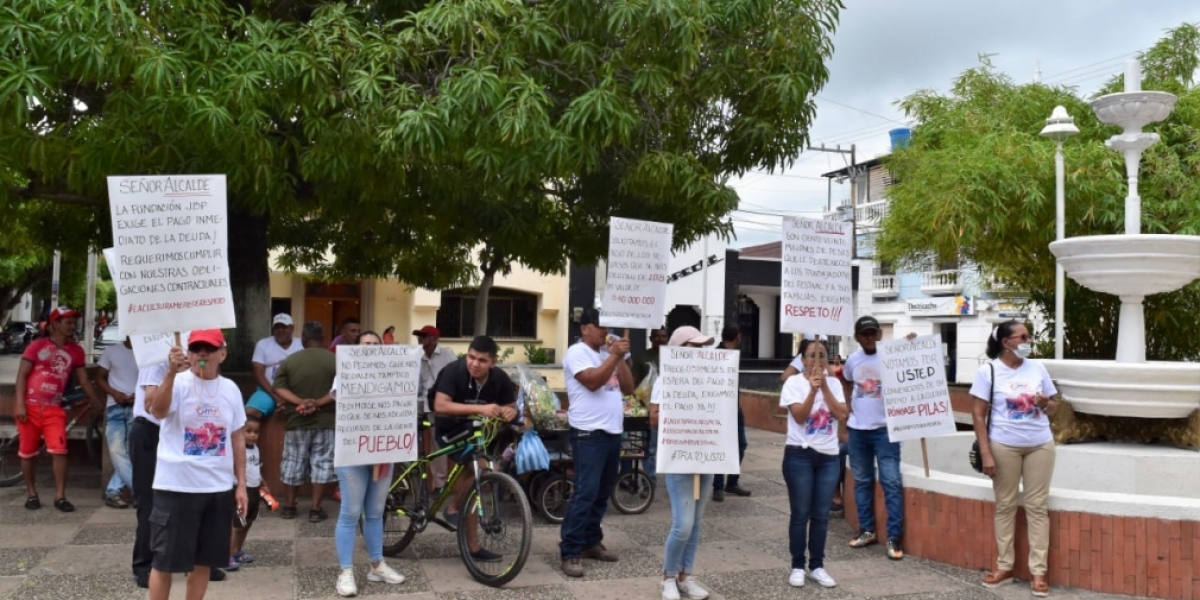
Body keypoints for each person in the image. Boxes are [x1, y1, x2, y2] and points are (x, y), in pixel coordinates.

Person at [147, 329, 247, 600]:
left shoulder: (230, 389)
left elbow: (237, 436)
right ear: (188, 353)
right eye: (196, 348)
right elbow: (157, 410)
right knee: (165, 561)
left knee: (204, 561)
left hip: (216, 488)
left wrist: (241, 484)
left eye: (209, 349)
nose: (202, 354)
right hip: (176, 487)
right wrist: (169, 373)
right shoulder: (177, 382)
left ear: (222, 354)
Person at [971, 320, 1058, 598]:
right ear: (1006, 342)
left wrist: (1046, 403)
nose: (1028, 341)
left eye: (1028, 337)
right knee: (1006, 506)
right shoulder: (989, 372)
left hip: (1040, 445)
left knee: (1037, 507)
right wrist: (986, 453)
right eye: (1022, 337)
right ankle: (1005, 567)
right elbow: (977, 414)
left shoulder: (1038, 368)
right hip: (1004, 446)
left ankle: (1038, 572)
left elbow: (1055, 408)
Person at [558, 308, 634, 578]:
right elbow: (592, 382)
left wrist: (620, 357)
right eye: (599, 326)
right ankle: (570, 551)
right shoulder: (577, 353)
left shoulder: (609, 353)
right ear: (584, 328)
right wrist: (614, 356)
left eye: (607, 326)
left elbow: (628, 387)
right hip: (588, 433)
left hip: (613, 431)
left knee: (602, 493)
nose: (605, 331)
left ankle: (591, 542)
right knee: (585, 492)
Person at [331, 330, 407, 596]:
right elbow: (342, 401)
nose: (371, 348)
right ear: (356, 348)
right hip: (353, 452)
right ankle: (346, 571)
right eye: (366, 345)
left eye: (376, 344)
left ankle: (377, 565)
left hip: (382, 452)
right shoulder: (345, 374)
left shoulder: (395, 376)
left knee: (375, 513)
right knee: (351, 513)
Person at [432, 335, 518, 562]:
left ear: (493, 362)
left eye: (481, 360)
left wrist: (511, 412)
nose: (474, 364)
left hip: (480, 435)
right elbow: (440, 405)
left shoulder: (500, 379)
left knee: (479, 474)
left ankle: (460, 520)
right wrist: (482, 410)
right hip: (450, 431)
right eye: (471, 357)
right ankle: (456, 514)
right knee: (480, 469)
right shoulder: (454, 371)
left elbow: (510, 406)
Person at [649, 326, 717, 600]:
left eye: (702, 348)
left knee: (697, 522)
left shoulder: (711, 379)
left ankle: (685, 576)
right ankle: (667, 577)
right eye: (693, 346)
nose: (699, 352)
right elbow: (654, 419)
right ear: (678, 350)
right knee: (683, 524)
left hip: (706, 461)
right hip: (679, 460)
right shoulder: (665, 382)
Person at [13, 306, 102, 512]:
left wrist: (96, 400)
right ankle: (32, 493)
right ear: (54, 324)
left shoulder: (76, 350)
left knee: (60, 451)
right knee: (28, 453)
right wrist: (19, 404)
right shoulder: (36, 346)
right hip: (30, 407)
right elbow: (22, 376)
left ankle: (60, 496)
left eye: (74, 322)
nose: (73, 326)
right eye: (68, 322)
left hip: (54, 409)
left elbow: (83, 380)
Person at [780, 339, 848, 588]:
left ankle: (817, 565)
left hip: (828, 457)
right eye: (812, 356)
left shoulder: (835, 384)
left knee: (821, 515)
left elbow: (842, 414)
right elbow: (798, 417)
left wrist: (825, 388)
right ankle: (798, 565)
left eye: (822, 356)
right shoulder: (793, 383)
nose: (817, 361)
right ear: (803, 360)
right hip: (800, 455)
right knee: (801, 514)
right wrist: (811, 390)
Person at [842, 316, 904, 560]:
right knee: (862, 481)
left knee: (891, 482)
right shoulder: (852, 361)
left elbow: (913, 366)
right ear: (857, 337)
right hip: (858, 431)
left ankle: (893, 537)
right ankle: (867, 530)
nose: (869, 337)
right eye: (864, 333)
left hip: (886, 431)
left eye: (872, 332)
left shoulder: (891, 355)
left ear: (879, 334)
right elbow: (847, 382)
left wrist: (911, 344)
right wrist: (847, 408)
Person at [273, 321, 339, 522]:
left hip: (296, 421)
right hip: (326, 422)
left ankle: (290, 507)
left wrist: (300, 402)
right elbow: (342, 389)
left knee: (292, 463)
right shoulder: (336, 360)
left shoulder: (291, 361)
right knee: (321, 464)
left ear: (303, 339)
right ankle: (315, 510)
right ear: (324, 339)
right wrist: (318, 403)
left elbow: (279, 388)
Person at [226, 414, 274, 572]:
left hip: (254, 490)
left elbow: (256, 469)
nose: (253, 435)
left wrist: (263, 483)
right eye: (248, 431)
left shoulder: (256, 449)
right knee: (237, 524)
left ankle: (237, 551)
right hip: (241, 490)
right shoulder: (236, 450)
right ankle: (228, 555)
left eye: (256, 432)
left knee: (248, 522)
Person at [96, 336, 140, 509]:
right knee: (116, 451)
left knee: (130, 452)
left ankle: (113, 492)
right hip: (115, 406)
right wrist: (114, 393)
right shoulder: (111, 351)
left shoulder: (146, 354)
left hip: (137, 407)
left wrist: (140, 395)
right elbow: (99, 377)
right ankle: (139, 491)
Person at [415, 325, 456, 494]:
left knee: (450, 445)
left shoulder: (448, 355)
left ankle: (450, 483)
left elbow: (457, 377)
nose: (420, 340)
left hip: (448, 407)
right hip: (430, 409)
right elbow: (419, 389)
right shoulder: (420, 361)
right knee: (435, 447)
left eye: (423, 336)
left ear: (433, 339)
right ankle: (439, 484)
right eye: (419, 336)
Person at [712, 324, 750, 502]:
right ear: (738, 337)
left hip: (734, 407)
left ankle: (732, 481)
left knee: (741, 445)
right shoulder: (716, 355)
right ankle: (718, 486)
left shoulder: (734, 355)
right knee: (720, 445)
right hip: (720, 407)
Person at [245, 313, 303, 419]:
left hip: (296, 392)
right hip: (268, 391)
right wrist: (275, 396)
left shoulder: (301, 344)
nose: (280, 330)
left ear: (292, 328)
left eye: (284, 327)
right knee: (250, 413)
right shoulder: (263, 344)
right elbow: (258, 374)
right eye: (277, 327)